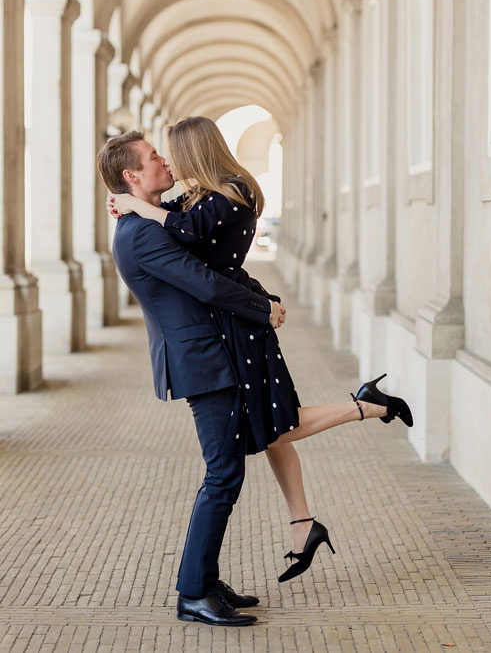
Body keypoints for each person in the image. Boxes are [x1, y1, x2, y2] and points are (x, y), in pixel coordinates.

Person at [101, 125, 412, 624]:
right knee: (223, 474)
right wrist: (262, 308)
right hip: (205, 363)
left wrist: (260, 301)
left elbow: (209, 244)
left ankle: (206, 579)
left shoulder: (153, 220)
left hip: (215, 356)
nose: (165, 161)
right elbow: (204, 283)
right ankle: (193, 592)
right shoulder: (141, 235)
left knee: (249, 449)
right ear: (130, 174)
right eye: (153, 156)